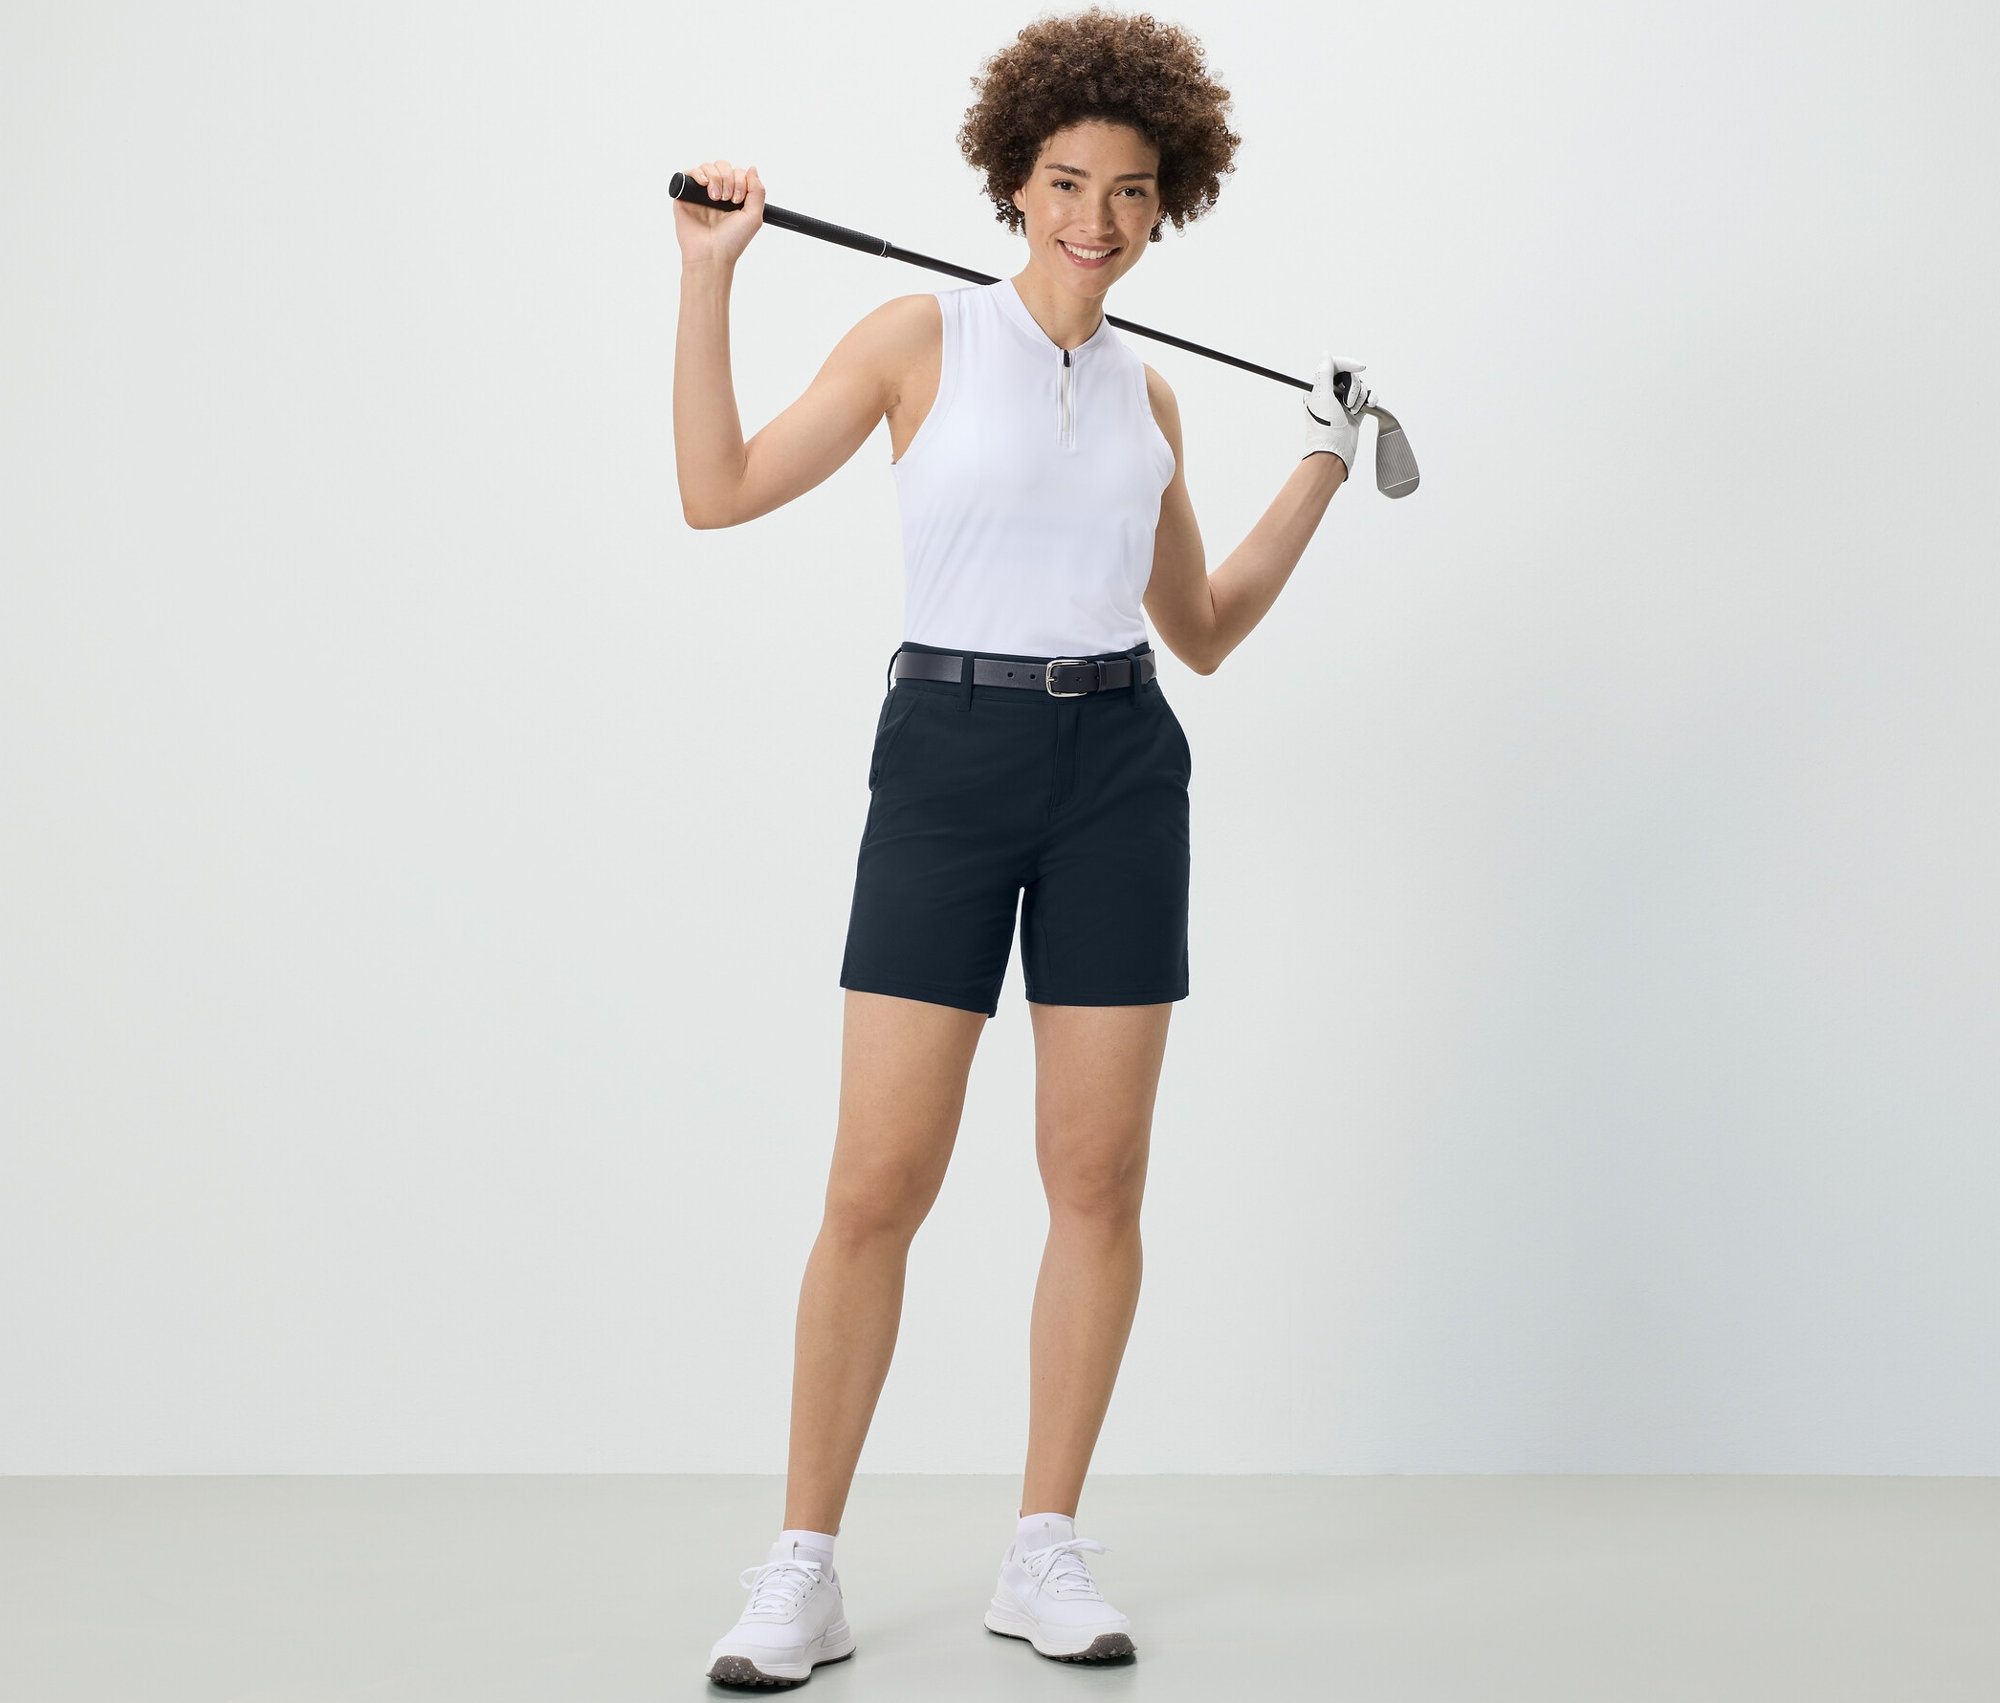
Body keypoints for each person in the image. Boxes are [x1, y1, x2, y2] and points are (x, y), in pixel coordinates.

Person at [673, 8, 1369, 1687]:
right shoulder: (920, 338)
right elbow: (719, 488)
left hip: (1120, 766)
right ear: (1015, 180)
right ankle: (803, 1570)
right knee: (877, 1183)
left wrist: (1324, 464)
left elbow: (1202, 629)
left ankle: (1044, 1547)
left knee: (1097, 1178)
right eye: (1066, 182)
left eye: (1130, 191)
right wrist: (710, 279)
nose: (1095, 219)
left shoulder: (1151, 399)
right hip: (949, 759)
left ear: (1166, 199)